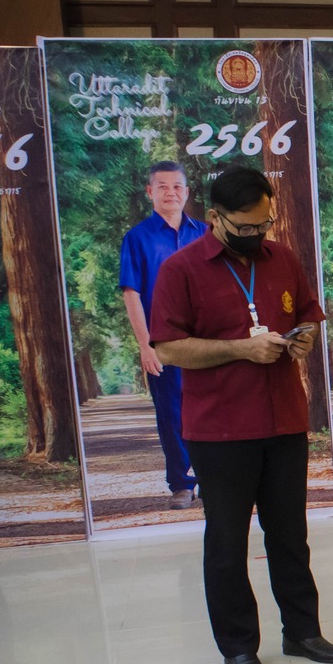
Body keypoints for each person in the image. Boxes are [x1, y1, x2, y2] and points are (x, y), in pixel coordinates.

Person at [149, 165, 333, 664]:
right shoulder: (181, 270)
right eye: (245, 226)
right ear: (214, 218)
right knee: (228, 541)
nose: (257, 234)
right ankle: (238, 647)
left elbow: (307, 315)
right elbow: (168, 347)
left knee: (290, 535)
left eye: (265, 224)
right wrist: (241, 349)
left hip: (283, 421)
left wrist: (302, 338)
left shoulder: (281, 258)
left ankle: (302, 632)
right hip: (219, 430)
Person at [117, 161, 207, 510]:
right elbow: (131, 293)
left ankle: (212, 479)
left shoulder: (205, 233)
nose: (171, 193)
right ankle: (182, 484)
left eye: (177, 187)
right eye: (163, 186)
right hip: (164, 344)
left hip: (206, 342)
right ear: (149, 192)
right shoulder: (137, 238)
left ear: (187, 192)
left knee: (210, 410)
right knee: (171, 413)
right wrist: (145, 345)